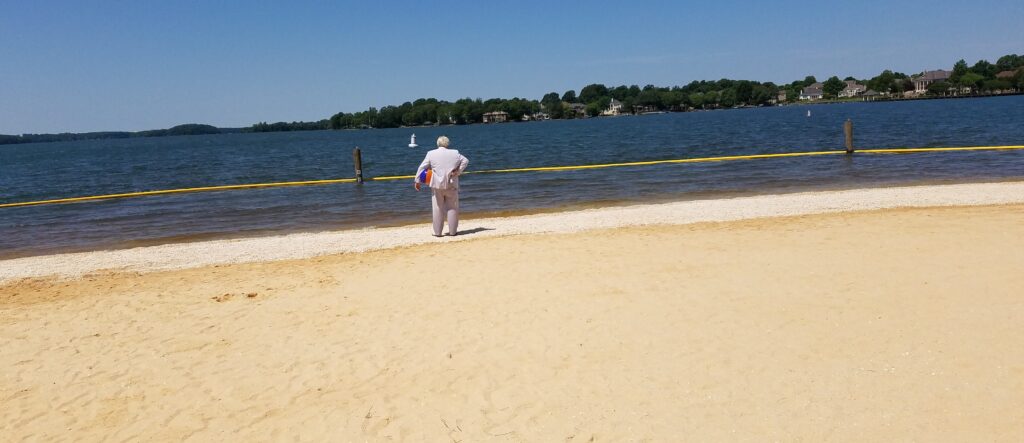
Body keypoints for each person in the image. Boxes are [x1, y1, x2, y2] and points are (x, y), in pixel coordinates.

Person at [415, 136, 469, 236]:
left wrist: (417, 181)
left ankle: (438, 232)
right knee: (452, 208)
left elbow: (422, 167)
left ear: (438, 143)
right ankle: (453, 232)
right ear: (447, 144)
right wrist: (458, 171)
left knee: (437, 208)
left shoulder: (431, 153)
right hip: (451, 183)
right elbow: (465, 161)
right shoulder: (455, 152)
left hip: (437, 185)